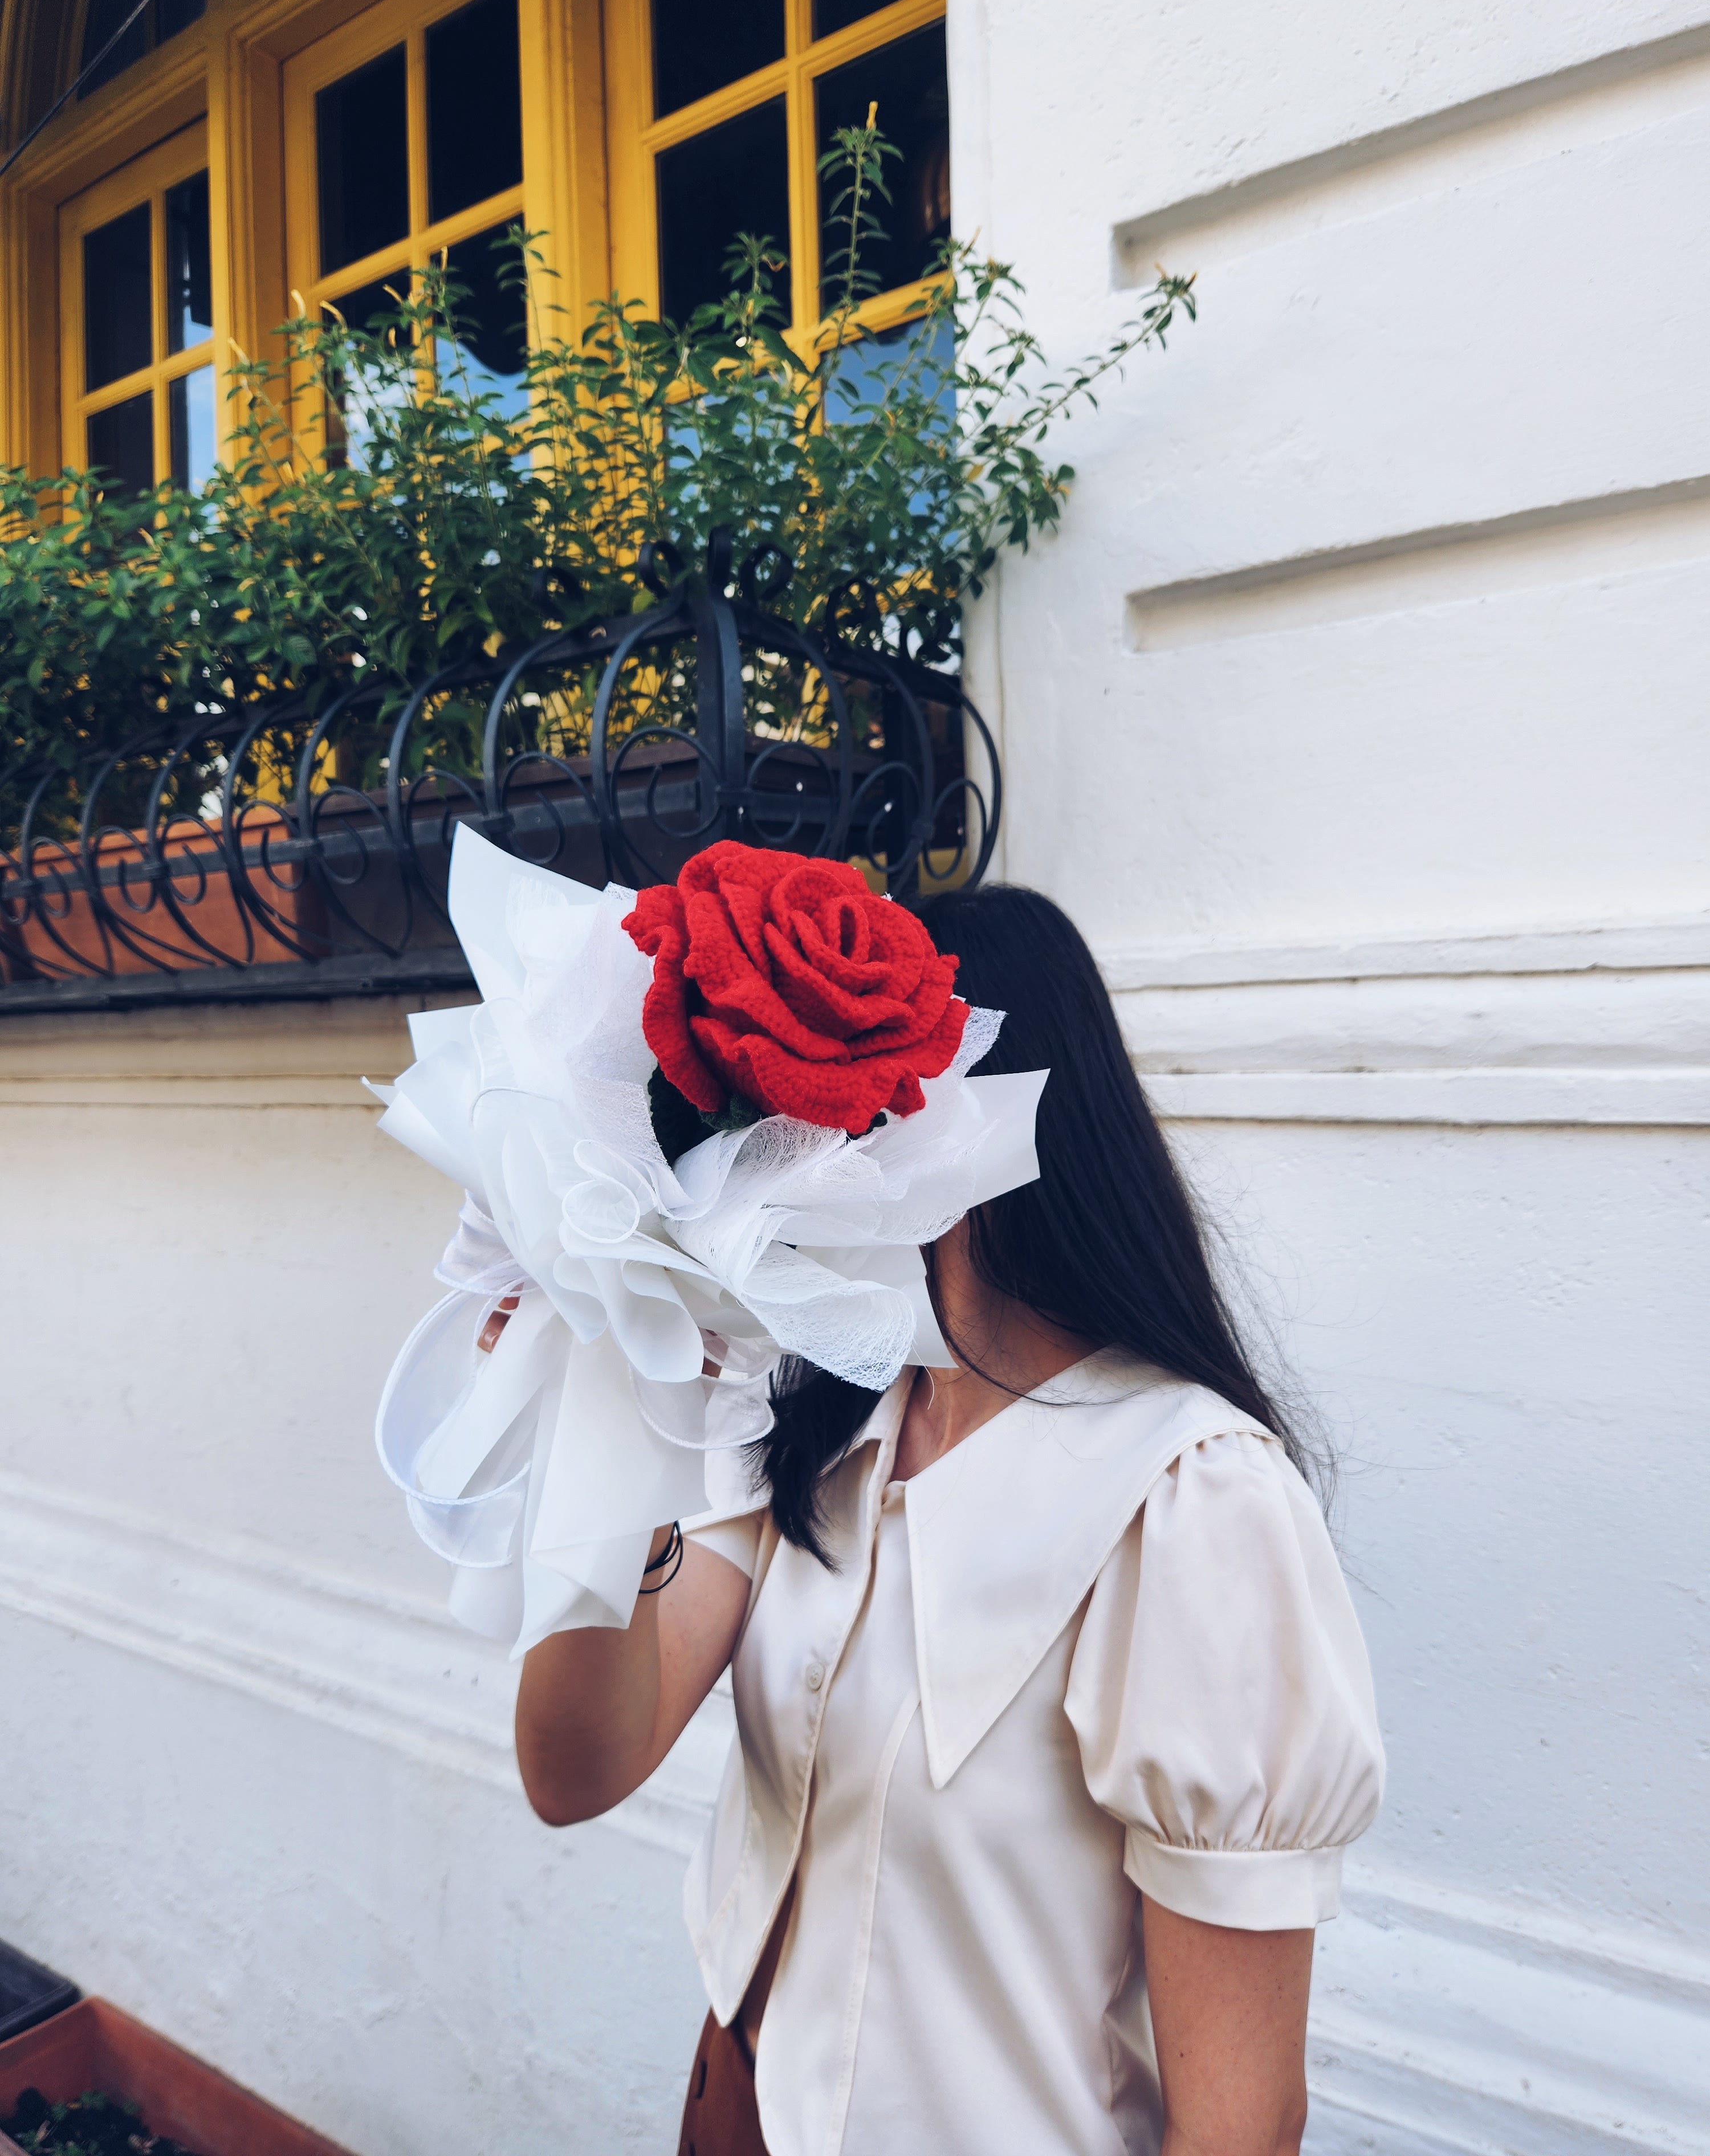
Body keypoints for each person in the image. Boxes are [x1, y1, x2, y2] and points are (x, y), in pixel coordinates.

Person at [503, 882, 1385, 2156]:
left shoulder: (1191, 1499)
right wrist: (622, 1404)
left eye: (811, 1109)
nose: (778, 1150)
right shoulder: (814, 1420)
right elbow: (575, 1768)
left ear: (944, 1114)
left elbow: (1242, 2126)